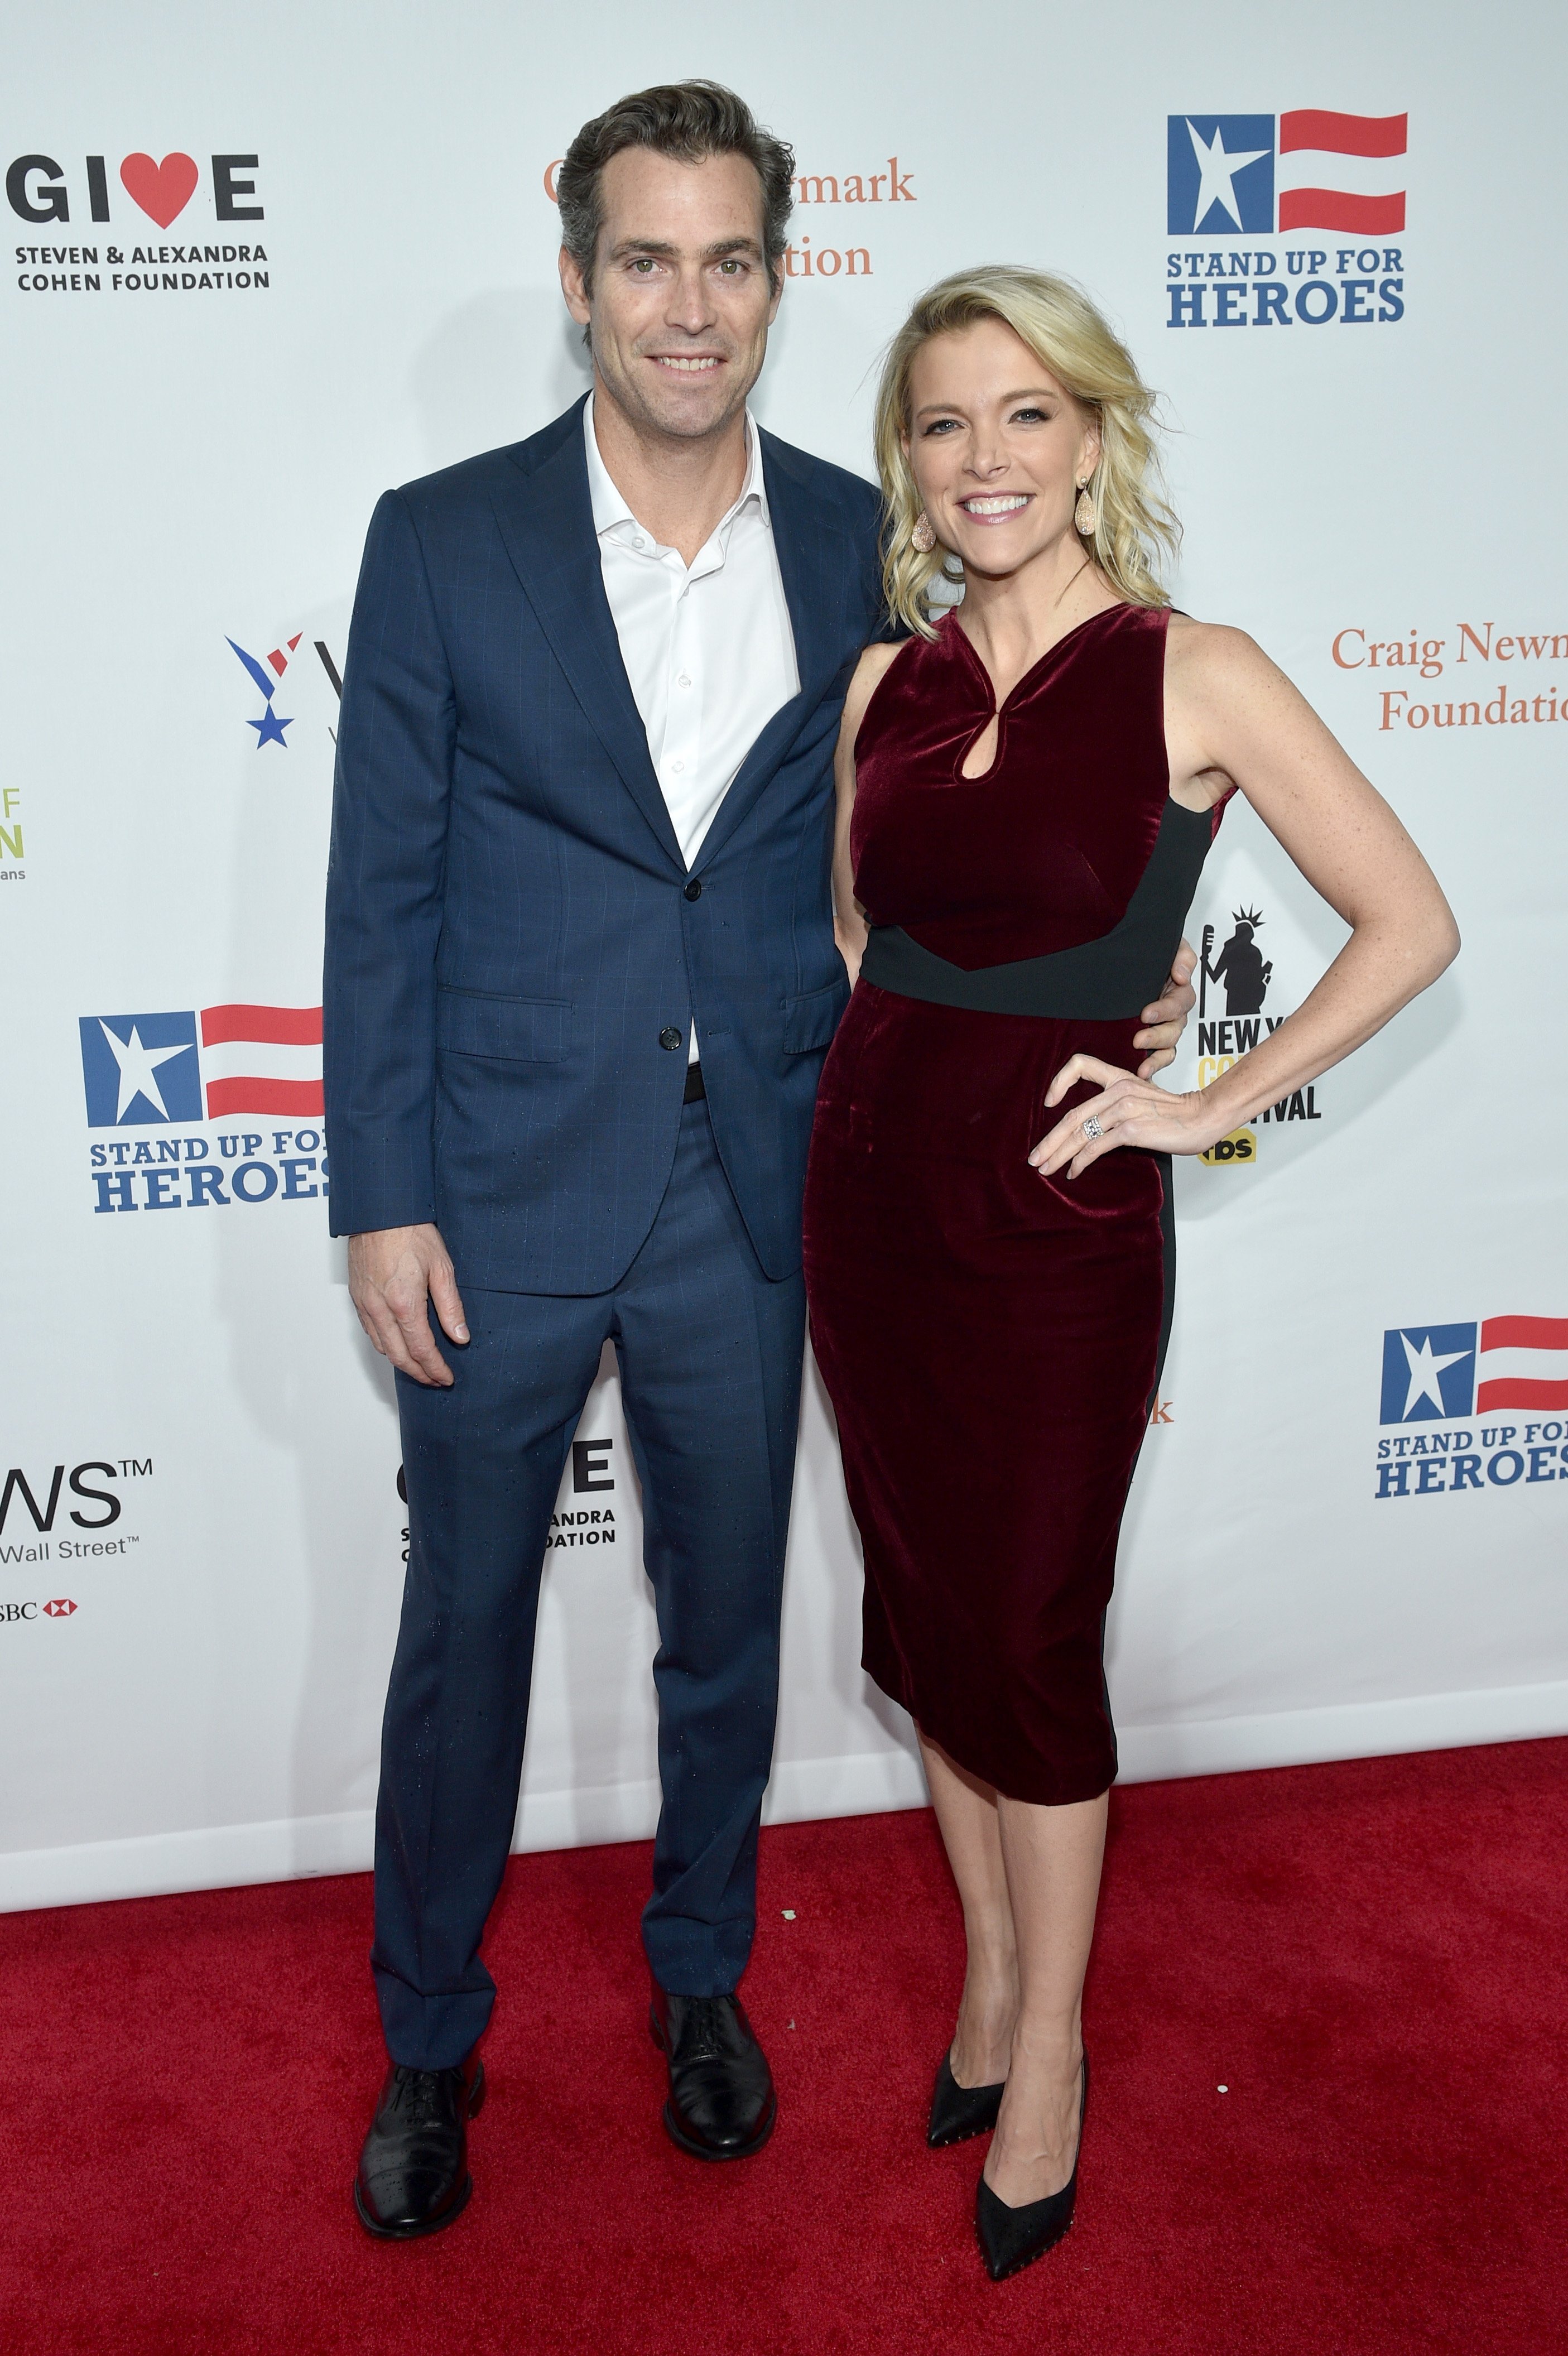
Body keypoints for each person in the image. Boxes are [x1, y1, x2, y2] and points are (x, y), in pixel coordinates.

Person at [324, 88, 1202, 2240]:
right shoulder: (439, 539)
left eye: (729, 261)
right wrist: (376, 1192)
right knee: (464, 1637)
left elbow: (984, 826)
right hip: (502, 1187)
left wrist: (1133, 1002)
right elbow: (381, 890)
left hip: (780, 1185)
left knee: (725, 1628)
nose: (686, 306)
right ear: (578, 282)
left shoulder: (858, 538)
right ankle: (430, 2040)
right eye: (645, 260)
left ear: (777, 285)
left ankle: (700, 1984)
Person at [802, 266, 1458, 2283]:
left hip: (1057, 1230)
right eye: (941, 422)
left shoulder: (1195, 668)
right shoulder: (879, 686)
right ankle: (991, 1984)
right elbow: (858, 936)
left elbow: (1406, 923)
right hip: (869, 1198)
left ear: (1092, 436)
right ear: (907, 458)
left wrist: (1202, 1096)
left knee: (1029, 1630)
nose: (982, 458)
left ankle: (1058, 2055)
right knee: (921, 1616)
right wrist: (976, 1025)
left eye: (1023, 415)